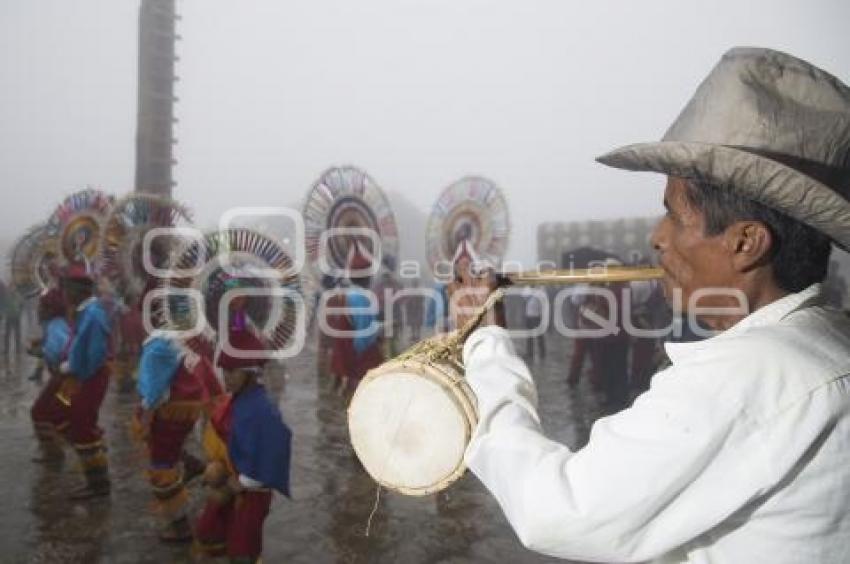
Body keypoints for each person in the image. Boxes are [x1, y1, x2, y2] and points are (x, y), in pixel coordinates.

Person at [450, 48, 850, 562]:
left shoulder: (750, 376)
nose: (657, 238)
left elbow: (554, 511)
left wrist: (485, 339)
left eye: (675, 217)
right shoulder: (829, 338)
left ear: (746, 242)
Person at [194, 328, 292, 563]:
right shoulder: (235, 401)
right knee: (216, 532)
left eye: (233, 372)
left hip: (252, 492)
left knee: (243, 547)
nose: (226, 378)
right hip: (230, 481)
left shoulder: (264, 411)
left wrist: (237, 485)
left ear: (250, 374)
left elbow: (273, 456)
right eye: (224, 371)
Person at [135, 333, 205, 542]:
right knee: (167, 448)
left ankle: (180, 525)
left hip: (168, 410)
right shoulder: (175, 339)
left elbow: (155, 390)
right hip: (181, 409)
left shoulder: (158, 346)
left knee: (161, 466)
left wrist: (146, 417)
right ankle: (191, 463)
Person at [56, 263, 113, 499]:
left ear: (79, 291)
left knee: (83, 425)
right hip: (83, 376)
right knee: (75, 419)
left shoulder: (93, 313)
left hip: (90, 376)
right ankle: (95, 481)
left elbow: (97, 354)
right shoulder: (87, 312)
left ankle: (98, 484)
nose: (65, 295)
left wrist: (77, 372)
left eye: (68, 290)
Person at [328, 243, 384, 394]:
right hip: (357, 361)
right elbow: (364, 336)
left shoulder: (346, 293)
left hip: (342, 355)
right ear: (366, 278)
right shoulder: (361, 298)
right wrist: (380, 329)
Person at [28, 288, 71, 464]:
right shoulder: (57, 323)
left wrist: (38, 351)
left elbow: (57, 352)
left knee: (40, 412)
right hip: (65, 378)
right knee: (55, 413)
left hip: (65, 379)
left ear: (49, 309)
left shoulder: (55, 325)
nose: (38, 310)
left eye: (41, 306)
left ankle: (54, 454)